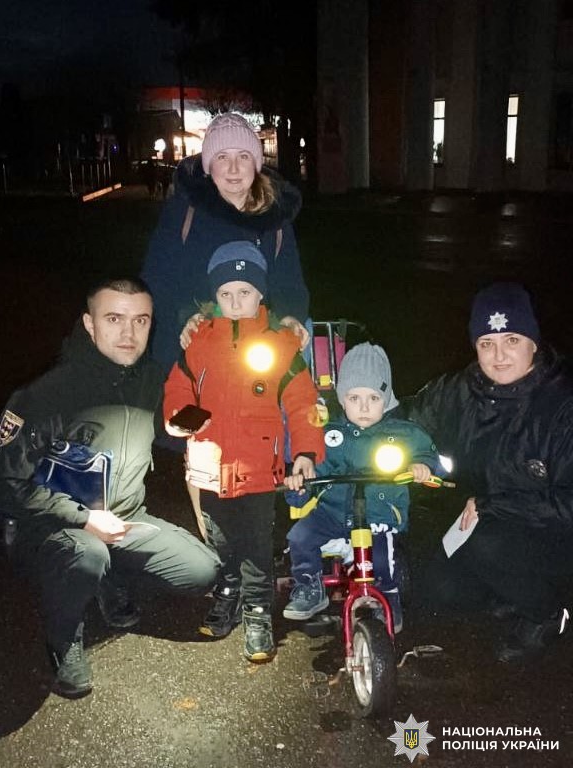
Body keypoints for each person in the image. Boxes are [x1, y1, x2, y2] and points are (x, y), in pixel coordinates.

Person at [0, 278, 220, 699]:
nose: (128, 333)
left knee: (201, 570)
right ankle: (65, 638)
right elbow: (7, 485)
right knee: (86, 554)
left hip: (124, 518)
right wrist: (83, 519)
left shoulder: (152, 380)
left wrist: (188, 419)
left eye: (141, 320)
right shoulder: (45, 394)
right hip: (49, 527)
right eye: (114, 319)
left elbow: (171, 427)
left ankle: (108, 576)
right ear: (89, 323)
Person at [163, 241, 325, 663]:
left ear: (260, 293)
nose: (236, 303)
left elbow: (303, 403)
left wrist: (305, 452)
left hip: (257, 468)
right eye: (226, 293)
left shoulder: (280, 344)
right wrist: (179, 416)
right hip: (209, 465)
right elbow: (179, 387)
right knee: (217, 537)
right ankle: (229, 590)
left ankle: (257, 611)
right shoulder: (199, 341)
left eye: (245, 292)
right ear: (214, 296)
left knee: (255, 544)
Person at [397, 282, 573, 662]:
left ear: (533, 343)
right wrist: (348, 420)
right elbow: (406, 417)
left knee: (489, 546)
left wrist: (495, 506)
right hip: (487, 524)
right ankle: (509, 592)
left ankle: (548, 614)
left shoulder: (562, 404)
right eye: (486, 343)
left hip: (555, 534)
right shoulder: (459, 391)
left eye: (512, 340)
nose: (499, 355)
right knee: (440, 592)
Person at [282, 343, 439, 633]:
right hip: (333, 513)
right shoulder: (330, 435)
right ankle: (309, 586)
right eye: (354, 398)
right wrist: (300, 485)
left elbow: (427, 454)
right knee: (299, 537)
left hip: (377, 515)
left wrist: (422, 466)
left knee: (382, 558)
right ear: (343, 399)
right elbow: (315, 470)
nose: (364, 407)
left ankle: (389, 596)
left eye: (373, 398)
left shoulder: (403, 433)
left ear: (386, 400)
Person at [142, 112, 310, 373]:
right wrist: (185, 318)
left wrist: (290, 315)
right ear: (209, 165)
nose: (233, 168)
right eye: (222, 157)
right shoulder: (184, 213)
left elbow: (289, 281)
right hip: (191, 346)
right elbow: (157, 279)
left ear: (255, 163)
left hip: (256, 351)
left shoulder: (274, 218)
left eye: (243, 156)